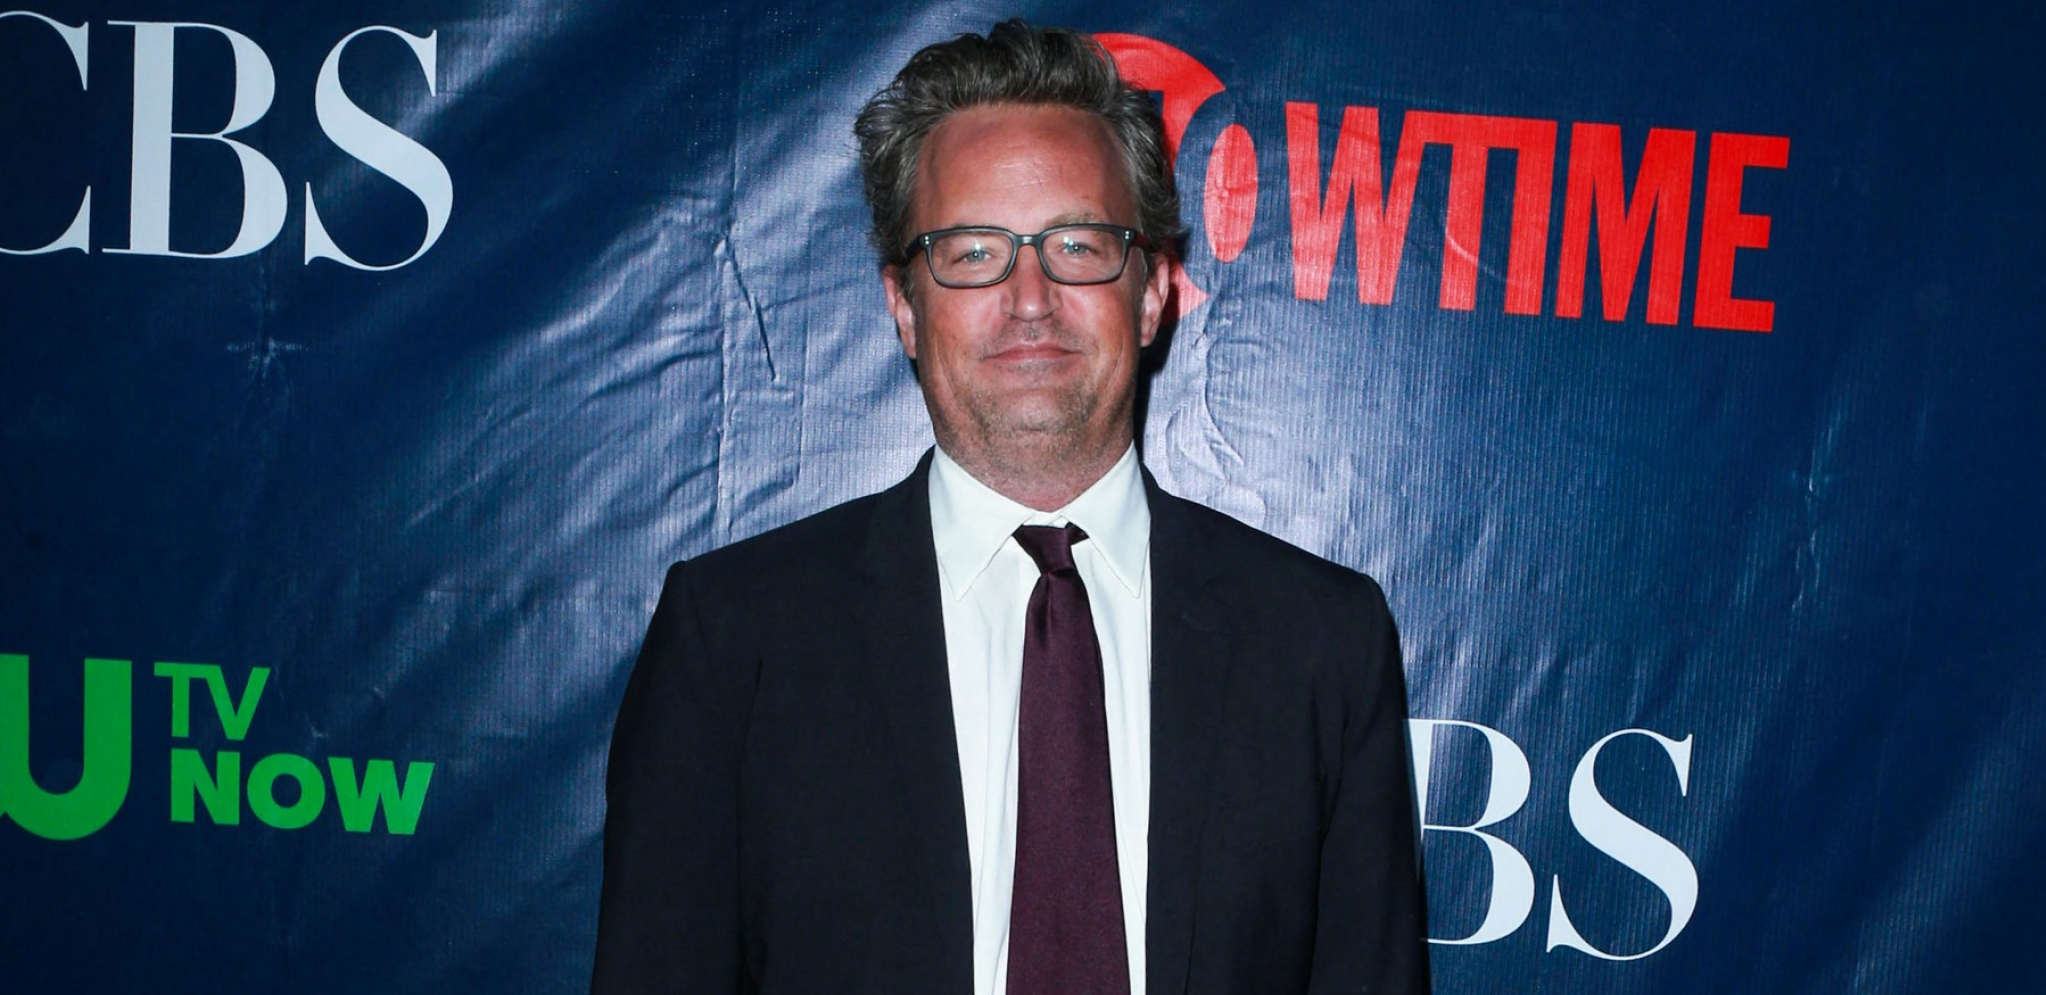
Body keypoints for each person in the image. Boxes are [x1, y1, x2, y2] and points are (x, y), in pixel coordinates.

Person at [592, 20, 1429, 995]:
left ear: (1154, 290)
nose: (1030, 297)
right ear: (903, 304)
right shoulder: (735, 637)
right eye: (972, 251)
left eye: (1078, 244)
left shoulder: (1320, 641)